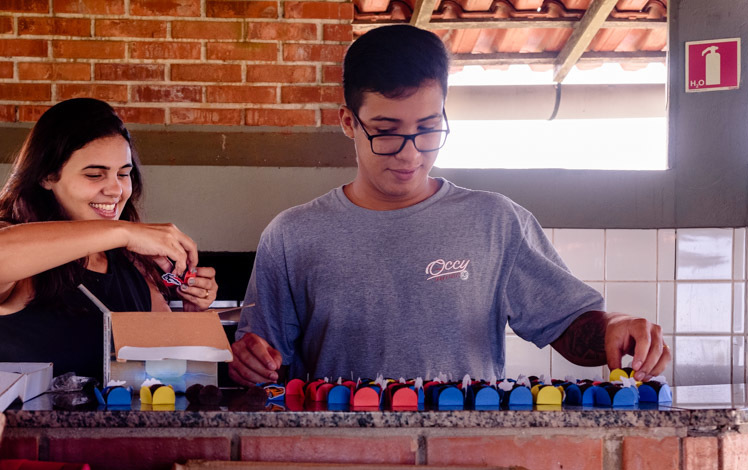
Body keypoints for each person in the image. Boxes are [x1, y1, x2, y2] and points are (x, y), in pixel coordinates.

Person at [229, 25, 669, 387]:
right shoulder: (292, 235)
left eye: (428, 128)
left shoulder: (495, 221)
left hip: (466, 457)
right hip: (337, 460)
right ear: (349, 122)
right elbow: (269, 368)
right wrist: (250, 363)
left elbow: (568, 325)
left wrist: (616, 326)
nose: (410, 153)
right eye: (386, 131)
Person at [0, 97, 218, 380]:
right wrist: (125, 232)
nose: (116, 189)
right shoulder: (12, 242)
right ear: (46, 176)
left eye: (124, 174)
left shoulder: (131, 261)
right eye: (95, 175)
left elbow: (168, 371)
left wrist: (194, 315)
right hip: (24, 424)